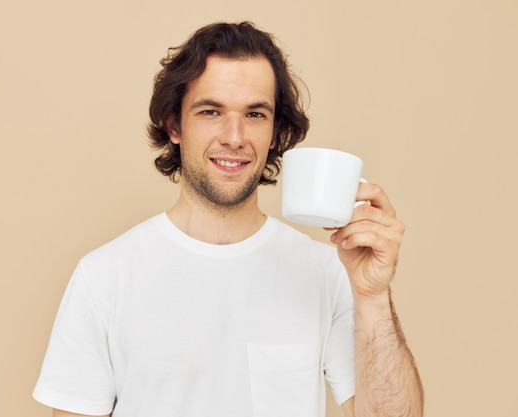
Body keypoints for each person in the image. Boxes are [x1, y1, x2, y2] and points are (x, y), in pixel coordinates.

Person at [33, 21, 424, 417]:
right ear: (174, 125)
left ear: (275, 132)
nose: (234, 137)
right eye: (210, 111)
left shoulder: (326, 272)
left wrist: (373, 298)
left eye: (255, 114)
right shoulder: (104, 277)